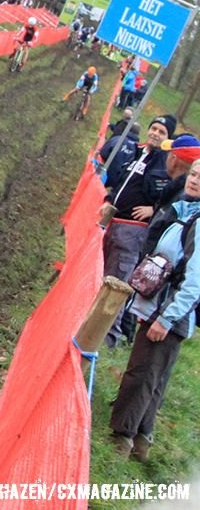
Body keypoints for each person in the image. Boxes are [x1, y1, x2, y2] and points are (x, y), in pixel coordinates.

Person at [108, 158, 200, 462]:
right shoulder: (185, 210)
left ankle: (121, 439)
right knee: (154, 377)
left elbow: (194, 283)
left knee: (141, 374)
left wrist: (166, 318)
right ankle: (141, 441)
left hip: (168, 314)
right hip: (159, 309)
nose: (195, 179)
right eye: (195, 173)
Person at [99, 115, 176, 347]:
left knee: (118, 282)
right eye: (153, 128)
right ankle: (92, 323)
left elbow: (170, 196)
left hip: (133, 232)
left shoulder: (164, 163)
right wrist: (108, 198)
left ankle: (108, 336)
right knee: (103, 276)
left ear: (167, 138)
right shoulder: (137, 152)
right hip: (113, 221)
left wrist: (153, 210)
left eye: (161, 132)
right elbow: (122, 181)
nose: (155, 133)